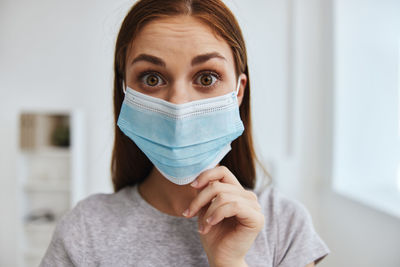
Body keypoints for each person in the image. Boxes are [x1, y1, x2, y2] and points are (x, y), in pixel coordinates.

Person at [40, 0, 330, 266]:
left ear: (238, 91)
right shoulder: (84, 230)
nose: (178, 103)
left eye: (206, 78)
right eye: (152, 78)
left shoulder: (285, 225)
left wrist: (231, 261)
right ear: (125, 91)